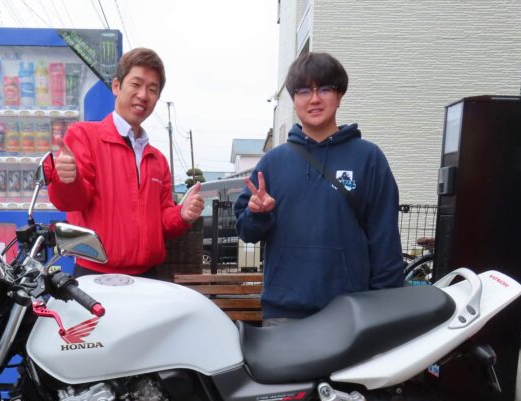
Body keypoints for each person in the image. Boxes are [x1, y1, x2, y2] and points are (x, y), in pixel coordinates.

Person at [235, 52, 403, 325]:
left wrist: (383, 310)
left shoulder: (368, 159)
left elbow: (385, 241)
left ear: (339, 95)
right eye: (303, 91)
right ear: (294, 99)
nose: (314, 99)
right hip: (283, 313)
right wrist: (258, 214)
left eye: (324, 89)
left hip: (352, 314)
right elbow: (247, 232)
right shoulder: (273, 162)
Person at [46, 47, 204, 278]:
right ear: (116, 86)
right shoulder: (84, 136)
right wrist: (66, 179)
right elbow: (71, 201)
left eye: (152, 89)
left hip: (148, 275)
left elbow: (162, 221)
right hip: (94, 275)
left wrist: (182, 214)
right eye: (136, 84)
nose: (143, 95)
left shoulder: (157, 160)